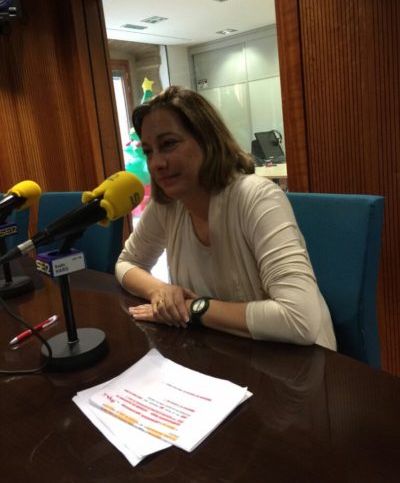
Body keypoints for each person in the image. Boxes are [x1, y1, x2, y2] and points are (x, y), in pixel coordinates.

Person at [115, 86, 336, 350]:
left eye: (169, 144)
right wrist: (159, 290)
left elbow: (300, 320)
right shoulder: (168, 204)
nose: (156, 163)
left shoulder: (257, 197)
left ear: (208, 141)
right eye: (149, 151)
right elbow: (127, 263)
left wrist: (193, 308)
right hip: (226, 351)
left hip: (298, 360)